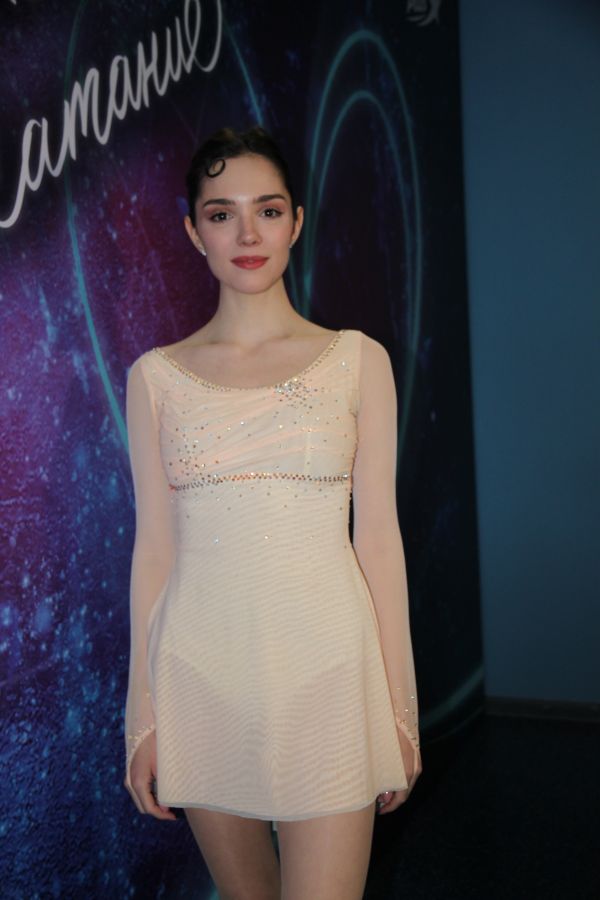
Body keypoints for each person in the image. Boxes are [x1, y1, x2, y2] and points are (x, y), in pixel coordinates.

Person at [123, 125, 421, 899]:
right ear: (194, 232)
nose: (248, 234)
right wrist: (142, 718)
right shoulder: (155, 378)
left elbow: (378, 541)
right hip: (200, 679)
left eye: (268, 209)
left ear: (296, 221)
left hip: (329, 678)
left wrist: (399, 710)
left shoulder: (359, 360)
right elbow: (154, 551)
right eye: (222, 214)